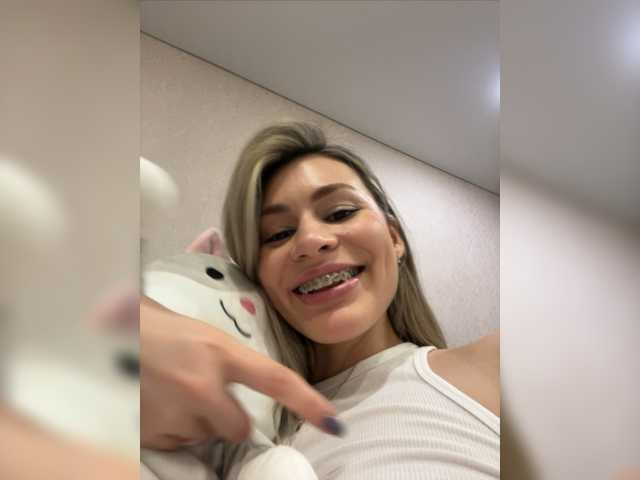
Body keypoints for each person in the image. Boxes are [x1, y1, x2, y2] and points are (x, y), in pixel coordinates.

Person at [141, 122, 500, 478]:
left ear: (393, 238)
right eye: (278, 234)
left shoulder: (493, 366)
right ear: (257, 276)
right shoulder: (234, 428)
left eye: (340, 212)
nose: (311, 241)